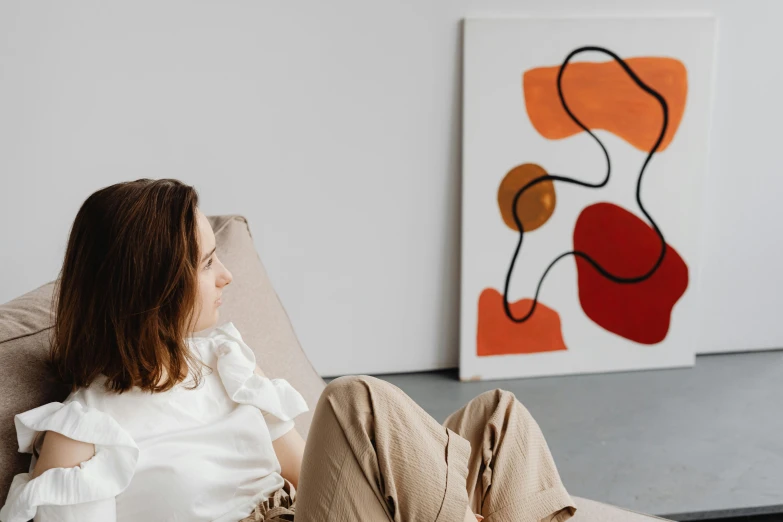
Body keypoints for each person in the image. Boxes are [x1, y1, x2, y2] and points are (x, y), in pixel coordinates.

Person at [0, 179, 577, 522]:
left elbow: (311, 476)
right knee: (357, 402)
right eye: (205, 262)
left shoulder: (222, 362)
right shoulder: (81, 436)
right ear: (151, 286)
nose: (226, 275)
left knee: (496, 417)